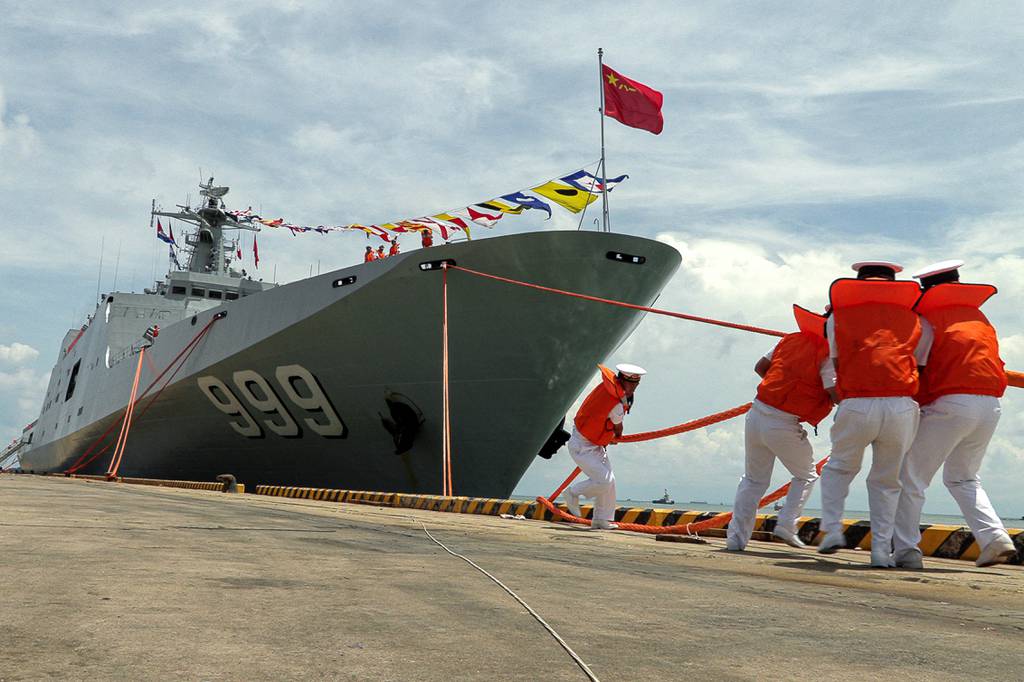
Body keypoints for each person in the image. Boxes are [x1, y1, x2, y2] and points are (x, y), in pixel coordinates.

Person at [893, 261, 1016, 568]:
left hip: (951, 403)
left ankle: (907, 550)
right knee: (963, 478)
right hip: (990, 406)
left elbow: (918, 372)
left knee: (910, 477)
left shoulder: (926, 320)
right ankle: (995, 538)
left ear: (927, 290)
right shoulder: (980, 319)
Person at [817, 260, 932, 567]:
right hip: (901, 406)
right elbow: (920, 366)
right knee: (887, 481)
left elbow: (836, 363)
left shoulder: (836, 318)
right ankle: (881, 553)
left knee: (838, 468)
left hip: (857, 402)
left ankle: (831, 530)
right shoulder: (919, 320)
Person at [726, 305, 834, 551]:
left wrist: (781, 387)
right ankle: (787, 523)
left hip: (757, 413)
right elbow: (833, 392)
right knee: (806, 475)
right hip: (784, 422)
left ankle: (736, 540)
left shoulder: (790, 339)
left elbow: (760, 367)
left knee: (753, 480)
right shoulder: (827, 354)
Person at [562, 363, 645, 530]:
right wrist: (615, 437)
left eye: (636, 384)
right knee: (604, 481)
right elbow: (618, 427)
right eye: (633, 384)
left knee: (610, 481)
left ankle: (602, 519)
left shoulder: (606, 389)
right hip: (582, 447)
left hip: (592, 444)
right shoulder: (616, 403)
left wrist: (606, 438)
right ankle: (572, 493)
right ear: (624, 381)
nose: (634, 387)